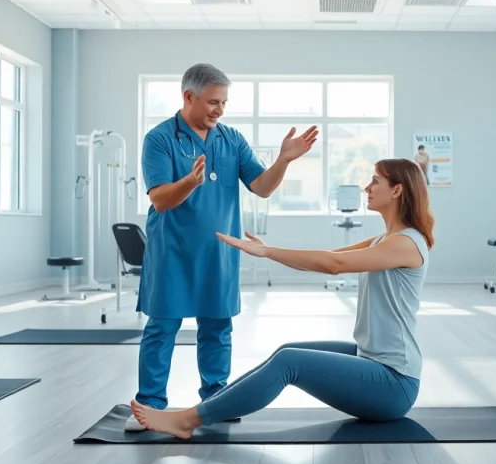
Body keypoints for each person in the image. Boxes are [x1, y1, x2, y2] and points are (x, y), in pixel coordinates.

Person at [129, 158, 435, 438]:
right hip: (371, 359)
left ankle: (188, 421)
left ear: (397, 190)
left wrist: (266, 252)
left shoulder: (406, 244)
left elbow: (334, 264)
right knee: (286, 350)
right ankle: (211, 405)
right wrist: (267, 250)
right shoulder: (385, 239)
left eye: (375, 181)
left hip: (394, 382)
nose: (367, 188)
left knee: (290, 363)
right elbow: (325, 260)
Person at [127, 63, 319, 432]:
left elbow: (261, 187)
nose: (219, 110)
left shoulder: (231, 139)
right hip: (173, 252)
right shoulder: (160, 139)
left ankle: (215, 399)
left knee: (217, 327)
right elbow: (161, 200)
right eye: (213, 102)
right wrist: (189, 182)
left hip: (219, 253)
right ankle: (150, 404)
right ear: (189, 97)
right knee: (162, 327)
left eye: (224, 103)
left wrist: (284, 160)